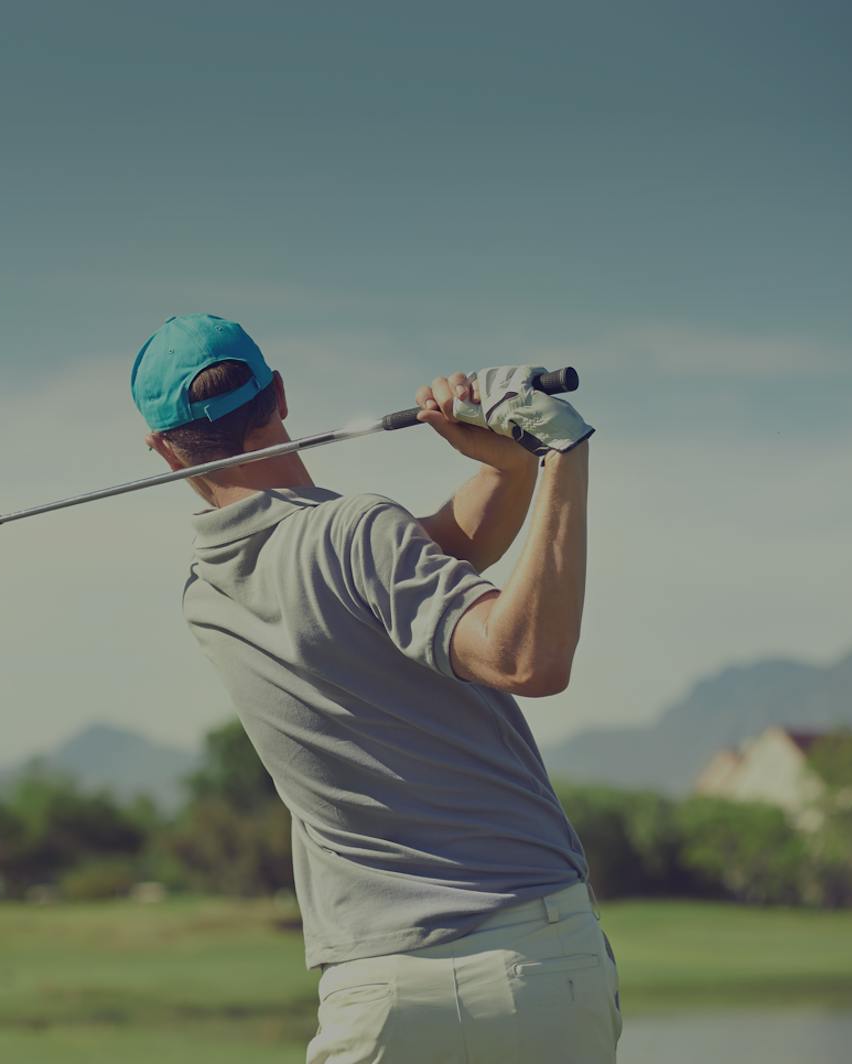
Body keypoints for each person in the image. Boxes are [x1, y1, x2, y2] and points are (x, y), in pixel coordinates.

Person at [131, 314, 618, 1063]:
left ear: (163, 451)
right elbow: (527, 658)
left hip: (377, 995)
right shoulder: (356, 531)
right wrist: (558, 452)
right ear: (281, 395)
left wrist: (505, 470)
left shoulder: (205, 591)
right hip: (532, 956)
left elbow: (427, 563)